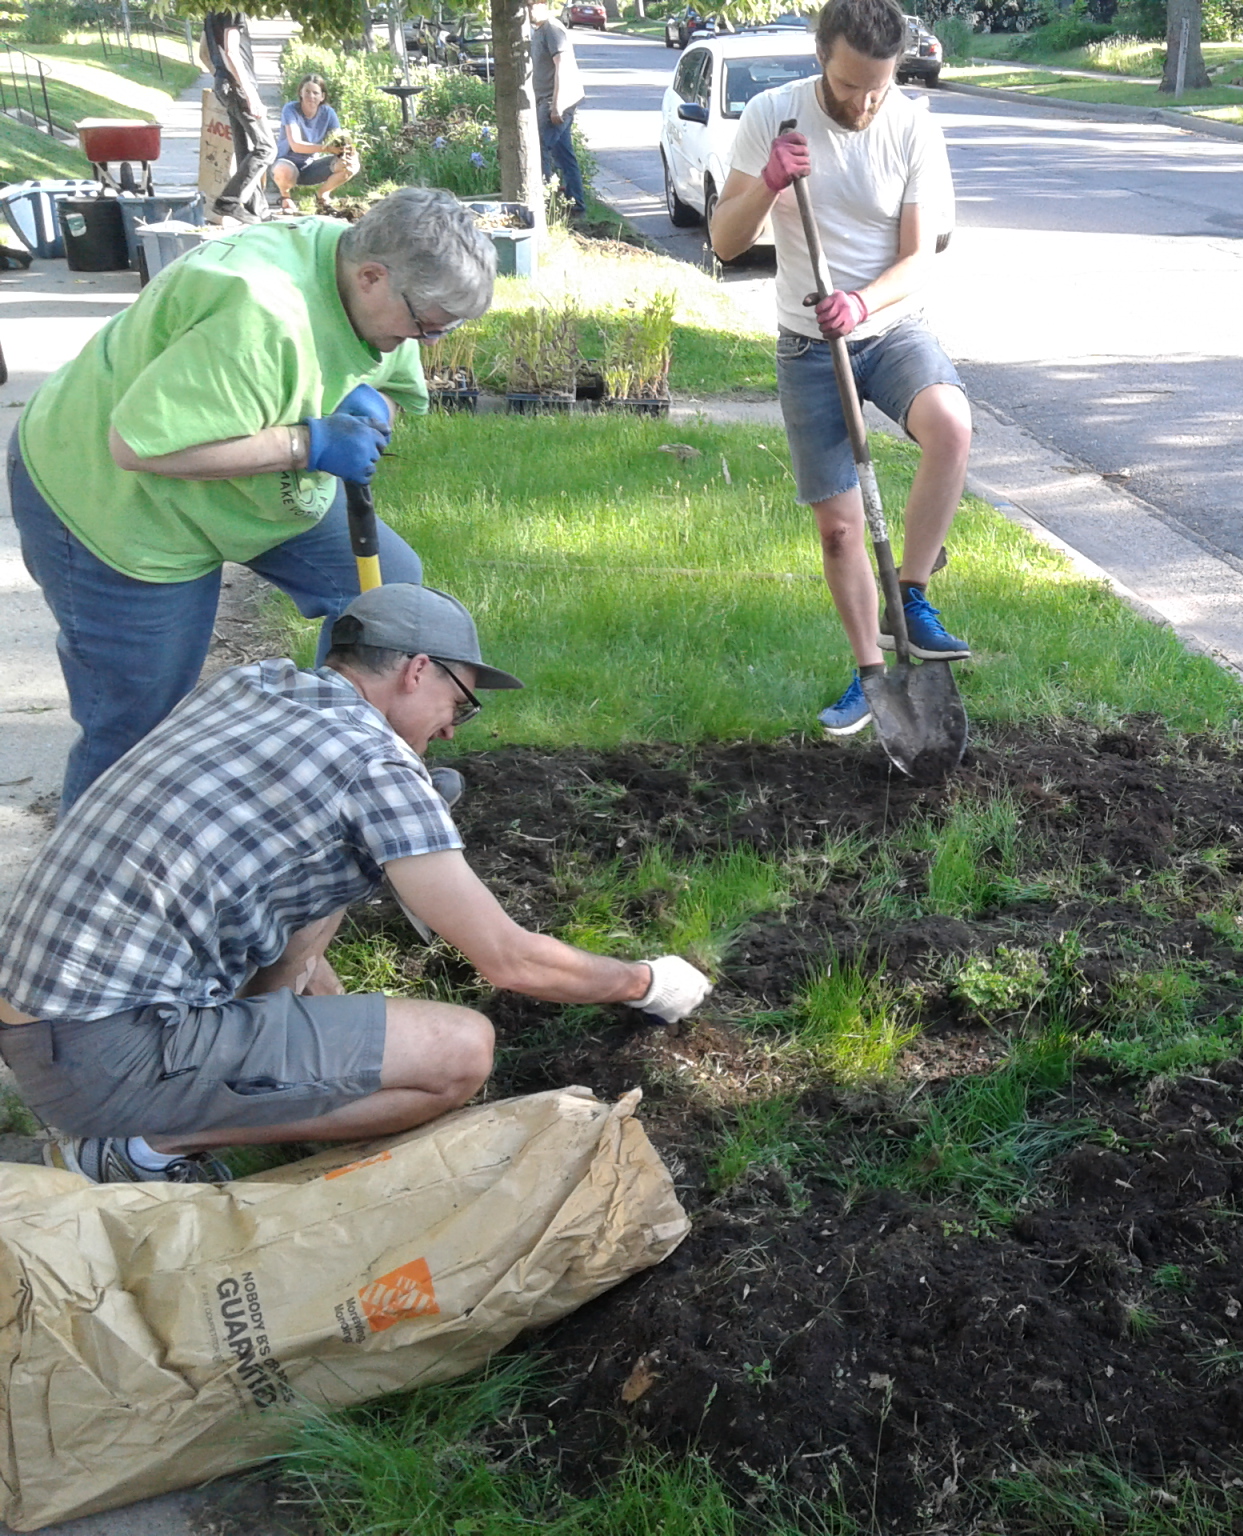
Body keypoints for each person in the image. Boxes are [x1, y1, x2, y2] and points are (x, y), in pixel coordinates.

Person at [0, 584, 714, 1185]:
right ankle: (143, 1148)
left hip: (38, 1025)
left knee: (332, 893)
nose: (454, 730)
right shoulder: (374, 765)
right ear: (418, 670)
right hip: (111, 1053)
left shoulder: (254, 686)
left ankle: (183, 1098)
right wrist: (643, 982)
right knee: (460, 1053)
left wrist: (327, 1016)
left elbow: (286, 897)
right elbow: (509, 959)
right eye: (461, 703)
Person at [7, 187, 496, 812]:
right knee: (138, 725)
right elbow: (138, 447)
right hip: (116, 504)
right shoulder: (260, 311)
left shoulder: (367, 288)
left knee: (386, 596)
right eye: (425, 325)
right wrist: (307, 443)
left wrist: (376, 410)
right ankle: (90, 869)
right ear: (372, 276)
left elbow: (394, 392)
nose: (424, 341)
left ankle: (344, 776)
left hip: (245, 485)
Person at [711, 0, 973, 738]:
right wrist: (767, 182)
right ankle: (870, 674)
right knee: (838, 529)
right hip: (807, 346)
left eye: (877, 87)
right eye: (850, 84)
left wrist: (859, 304)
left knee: (951, 426)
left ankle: (910, 597)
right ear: (821, 56)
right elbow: (725, 242)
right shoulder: (773, 114)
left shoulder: (913, 128)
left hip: (888, 328)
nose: (863, 103)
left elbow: (918, 258)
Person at [202, 10, 274, 225]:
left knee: (245, 151)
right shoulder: (233, 9)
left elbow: (204, 53)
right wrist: (250, 93)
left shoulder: (212, 11)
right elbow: (232, 51)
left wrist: (220, 77)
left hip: (226, 85)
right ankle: (229, 200)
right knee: (266, 148)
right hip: (238, 87)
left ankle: (259, 211)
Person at [528, 0, 587, 217]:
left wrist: (556, 106)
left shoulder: (552, 29)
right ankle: (575, 204)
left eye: (531, 5)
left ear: (543, 4)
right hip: (548, 100)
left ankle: (544, 205)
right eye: (526, 6)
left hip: (555, 102)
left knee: (539, 150)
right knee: (563, 154)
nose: (528, 11)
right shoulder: (539, 30)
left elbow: (562, 66)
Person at [271, 74, 359, 211]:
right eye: (307, 92)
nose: (311, 96)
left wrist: (346, 150)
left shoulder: (328, 113)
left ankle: (322, 195)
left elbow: (338, 138)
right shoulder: (290, 109)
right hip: (287, 163)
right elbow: (296, 145)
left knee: (351, 164)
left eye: (315, 93)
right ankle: (285, 198)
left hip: (312, 166)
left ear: (322, 96)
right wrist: (328, 149)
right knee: (284, 169)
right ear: (300, 93)